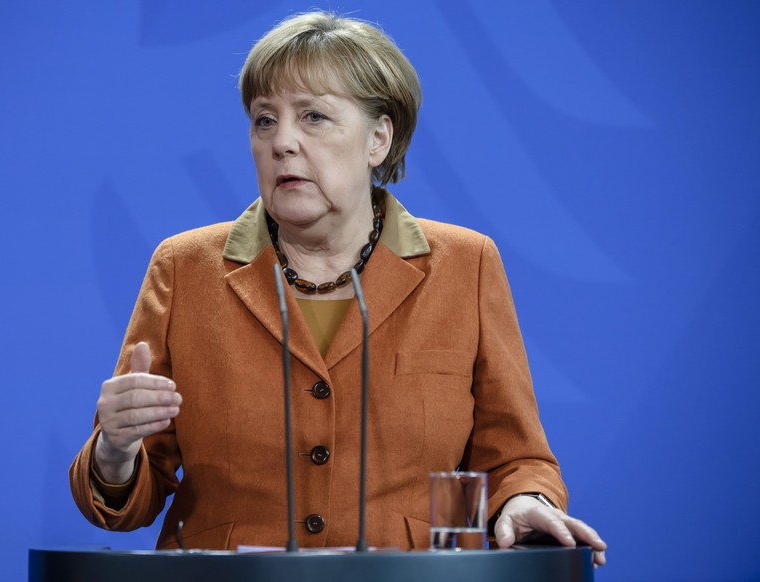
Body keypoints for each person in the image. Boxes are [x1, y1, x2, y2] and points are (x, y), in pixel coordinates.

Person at [69, 11, 607, 566]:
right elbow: (126, 497)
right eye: (264, 120)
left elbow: (515, 455)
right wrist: (114, 449)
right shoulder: (184, 268)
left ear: (378, 138)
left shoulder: (466, 265)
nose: (282, 143)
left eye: (314, 117)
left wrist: (522, 498)